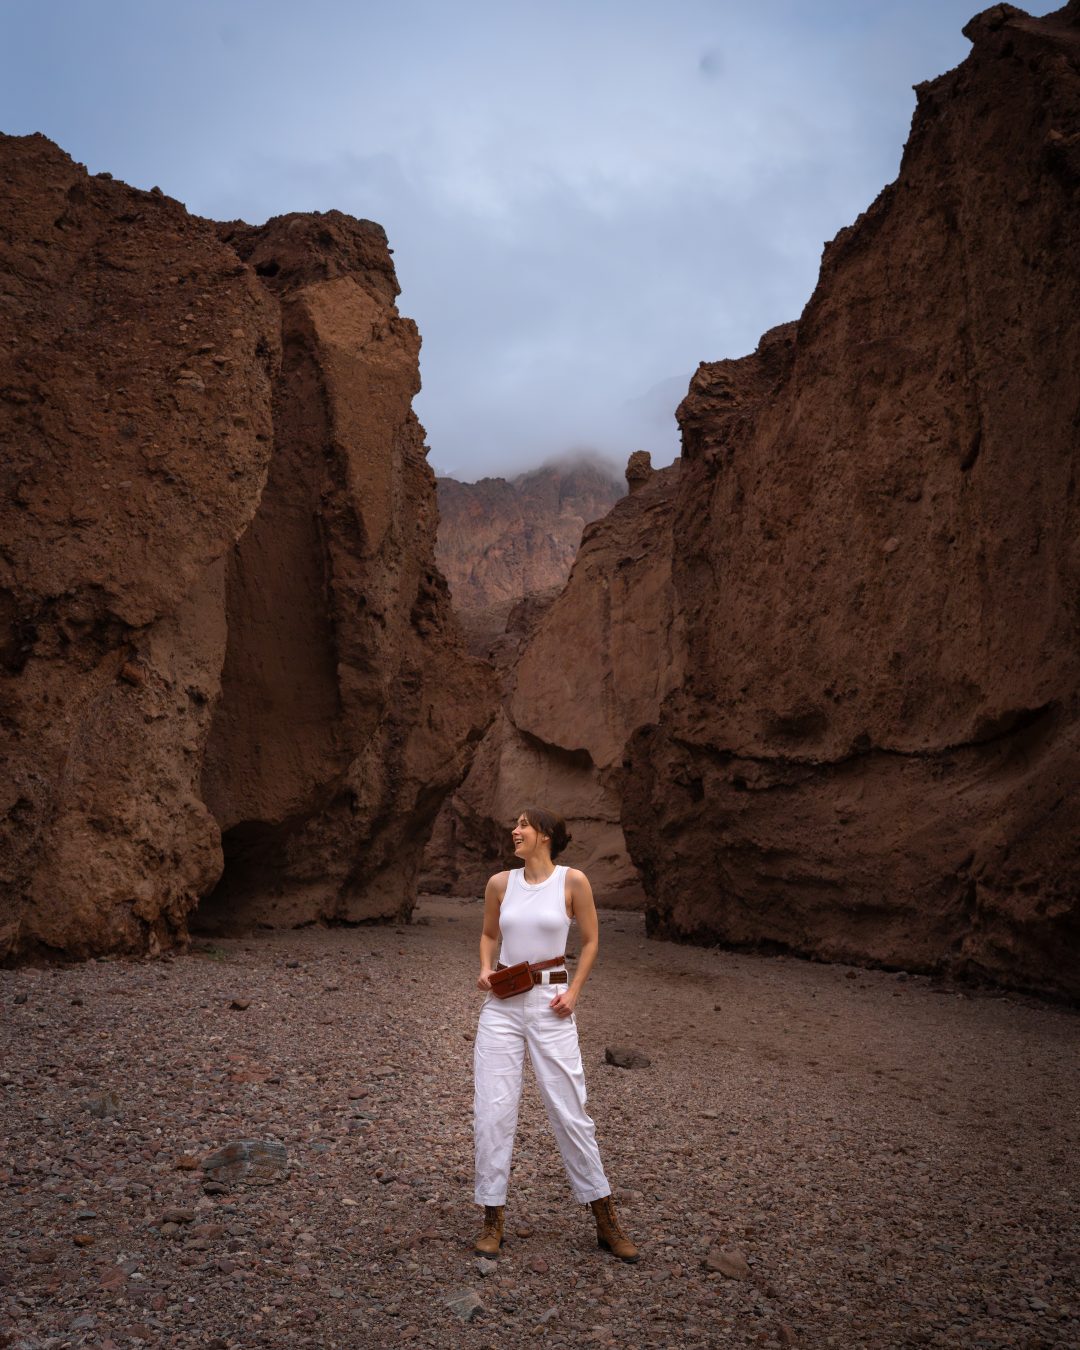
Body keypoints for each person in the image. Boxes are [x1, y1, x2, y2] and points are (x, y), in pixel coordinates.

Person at [472, 804, 639, 1263]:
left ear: (545, 834)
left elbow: (590, 941)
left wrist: (575, 993)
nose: (515, 830)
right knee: (493, 1109)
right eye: (516, 824)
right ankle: (492, 1218)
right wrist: (486, 968)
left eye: (524, 824)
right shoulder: (500, 884)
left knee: (570, 1110)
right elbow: (489, 935)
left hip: (551, 1003)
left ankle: (606, 1220)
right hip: (501, 1006)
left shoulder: (573, 881)